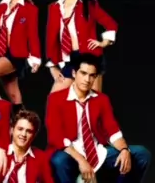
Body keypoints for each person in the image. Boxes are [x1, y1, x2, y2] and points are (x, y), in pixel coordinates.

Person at [46, 53, 151, 183]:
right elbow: (56, 136)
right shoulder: (56, 99)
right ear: (74, 73)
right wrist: (81, 160)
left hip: (97, 153)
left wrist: (124, 150)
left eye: (92, 75)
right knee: (59, 160)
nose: (87, 79)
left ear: (95, 77)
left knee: (141, 154)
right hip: (71, 153)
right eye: (83, 73)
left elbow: (112, 130)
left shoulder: (101, 99)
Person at [46, 0, 117, 93]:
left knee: (93, 99)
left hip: (90, 56)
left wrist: (104, 42)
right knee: (55, 97)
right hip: (70, 59)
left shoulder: (89, 4)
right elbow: (51, 37)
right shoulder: (54, 7)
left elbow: (111, 24)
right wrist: (52, 66)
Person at [0, 0, 41, 112]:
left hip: (16, 54)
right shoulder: (2, 7)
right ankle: (22, 118)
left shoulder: (30, 9)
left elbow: (33, 35)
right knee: (14, 96)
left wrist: (36, 57)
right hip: (1, 52)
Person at [0, 109, 54, 183]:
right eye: (20, 129)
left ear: (34, 135)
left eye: (29, 131)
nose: (23, 134)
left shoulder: (41, 157)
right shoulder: (1, 149)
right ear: (12, 130)